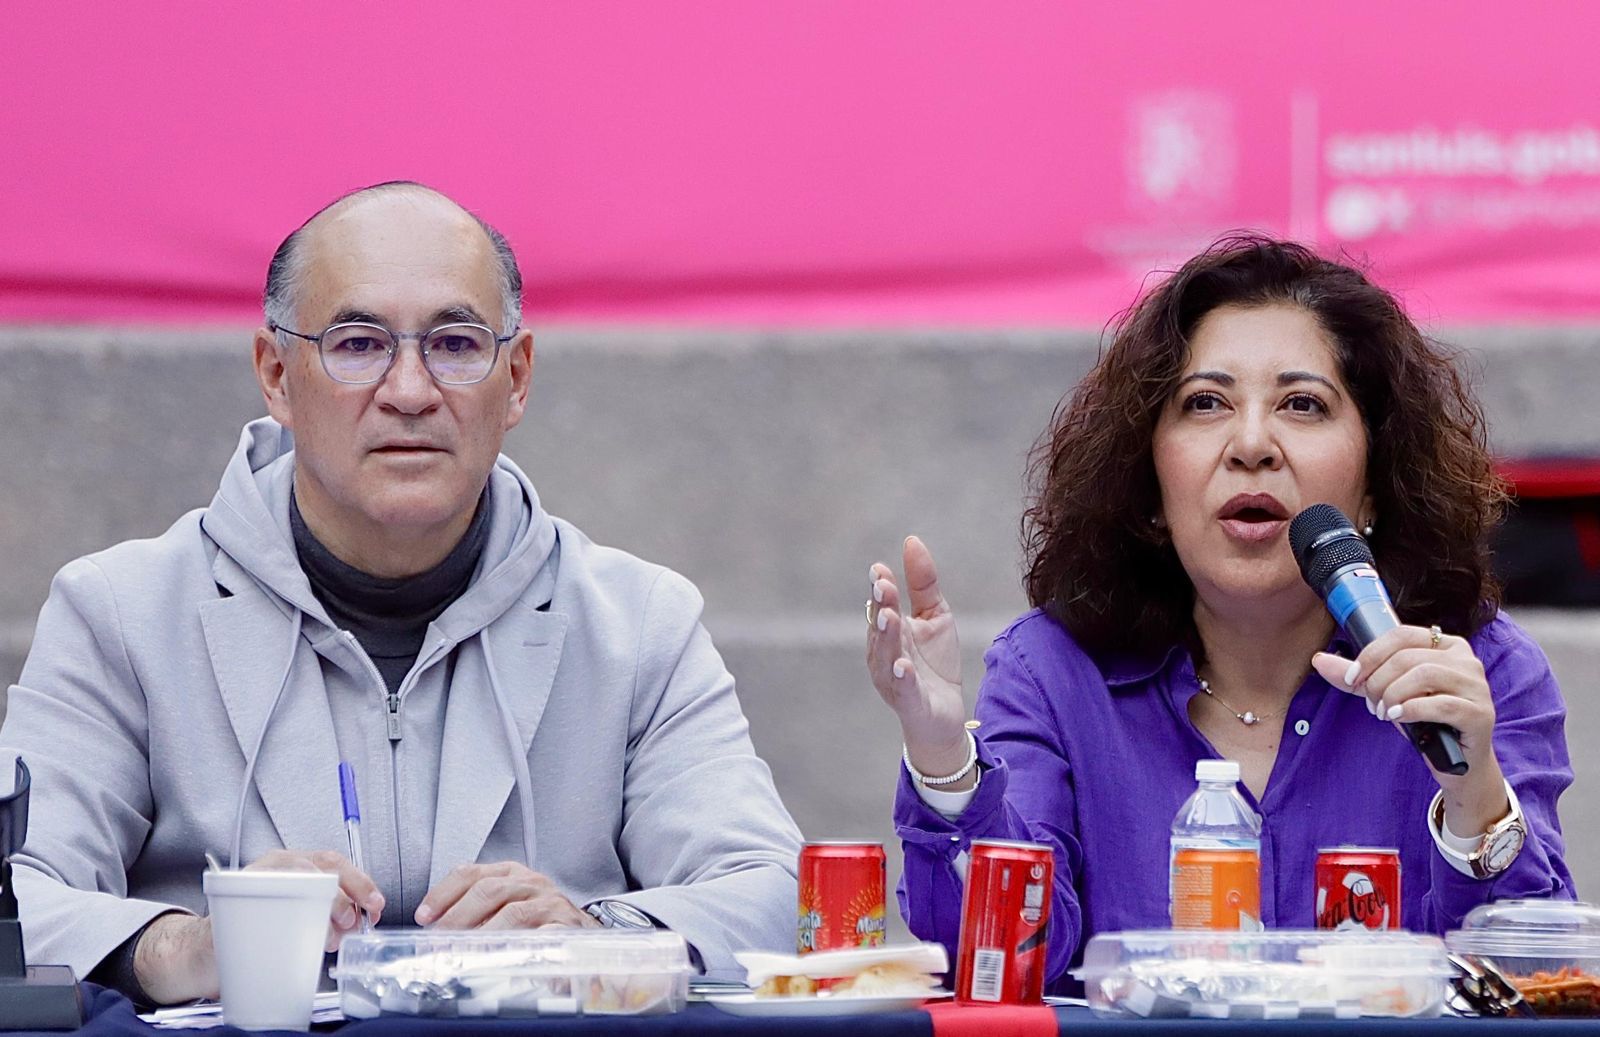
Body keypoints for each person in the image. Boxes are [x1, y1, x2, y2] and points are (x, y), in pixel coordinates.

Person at [1, 182, 802, 1005]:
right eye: (358, 344)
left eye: (455, 344)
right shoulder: (122, 614)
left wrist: (596, 937)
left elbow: (777, 893)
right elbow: (14, 891)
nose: (411, 391)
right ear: (276, 375)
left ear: (516, 378)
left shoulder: (637, 624)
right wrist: (185, 945)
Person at [866, 235, 1573, 991]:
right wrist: (946, 763)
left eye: (1302, 404)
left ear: (1375, 483)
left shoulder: (1480, 672)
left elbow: (1531, 987)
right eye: (1206, 403)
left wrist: (1473, 796)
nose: (1252, 444)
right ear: (1149, 483)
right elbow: (1002, 966)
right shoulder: (1053, 673)